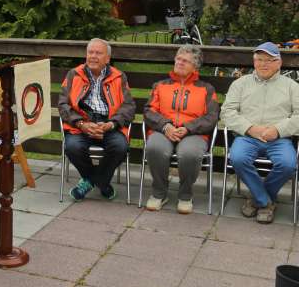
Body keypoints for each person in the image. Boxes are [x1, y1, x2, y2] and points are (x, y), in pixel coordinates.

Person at [220, 41, 299, 224]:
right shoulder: (240, 84)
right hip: (247, 137)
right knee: (238, 158)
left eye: (269, 60)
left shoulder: (292, 86)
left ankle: (257, 198)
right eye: (259, 59)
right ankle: (265, 202)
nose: (264, 64)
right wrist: (250, 129)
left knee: (288, 164)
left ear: (279, 63)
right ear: (254, 62)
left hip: (279, 139)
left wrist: (278, 130)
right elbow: (228, 112)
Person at [143, 45, 219, 214]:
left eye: (185, 60)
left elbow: (212, 117)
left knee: (190, 154)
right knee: (155, 147)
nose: (180, 62)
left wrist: (187, 128)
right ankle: (159, 193)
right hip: (163, 130)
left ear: (195, 66)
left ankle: (185, 195)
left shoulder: (206, 89)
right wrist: (165, 125)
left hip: (194, 133)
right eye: (178, 58)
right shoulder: (160, 85)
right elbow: (149, 111)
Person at [58, 39, 136, 202]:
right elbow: (63, 104)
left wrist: (111, 124)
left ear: (107, 58)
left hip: (108, 123)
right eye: (90, 52)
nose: (93, 56)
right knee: (72, 146)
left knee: (120, 147)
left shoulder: (119, 77)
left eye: (98, 53)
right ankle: (103, 184)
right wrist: (81, 124)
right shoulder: (74, 74)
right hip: (81, 123)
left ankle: (90, 182)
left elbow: (129, 106)